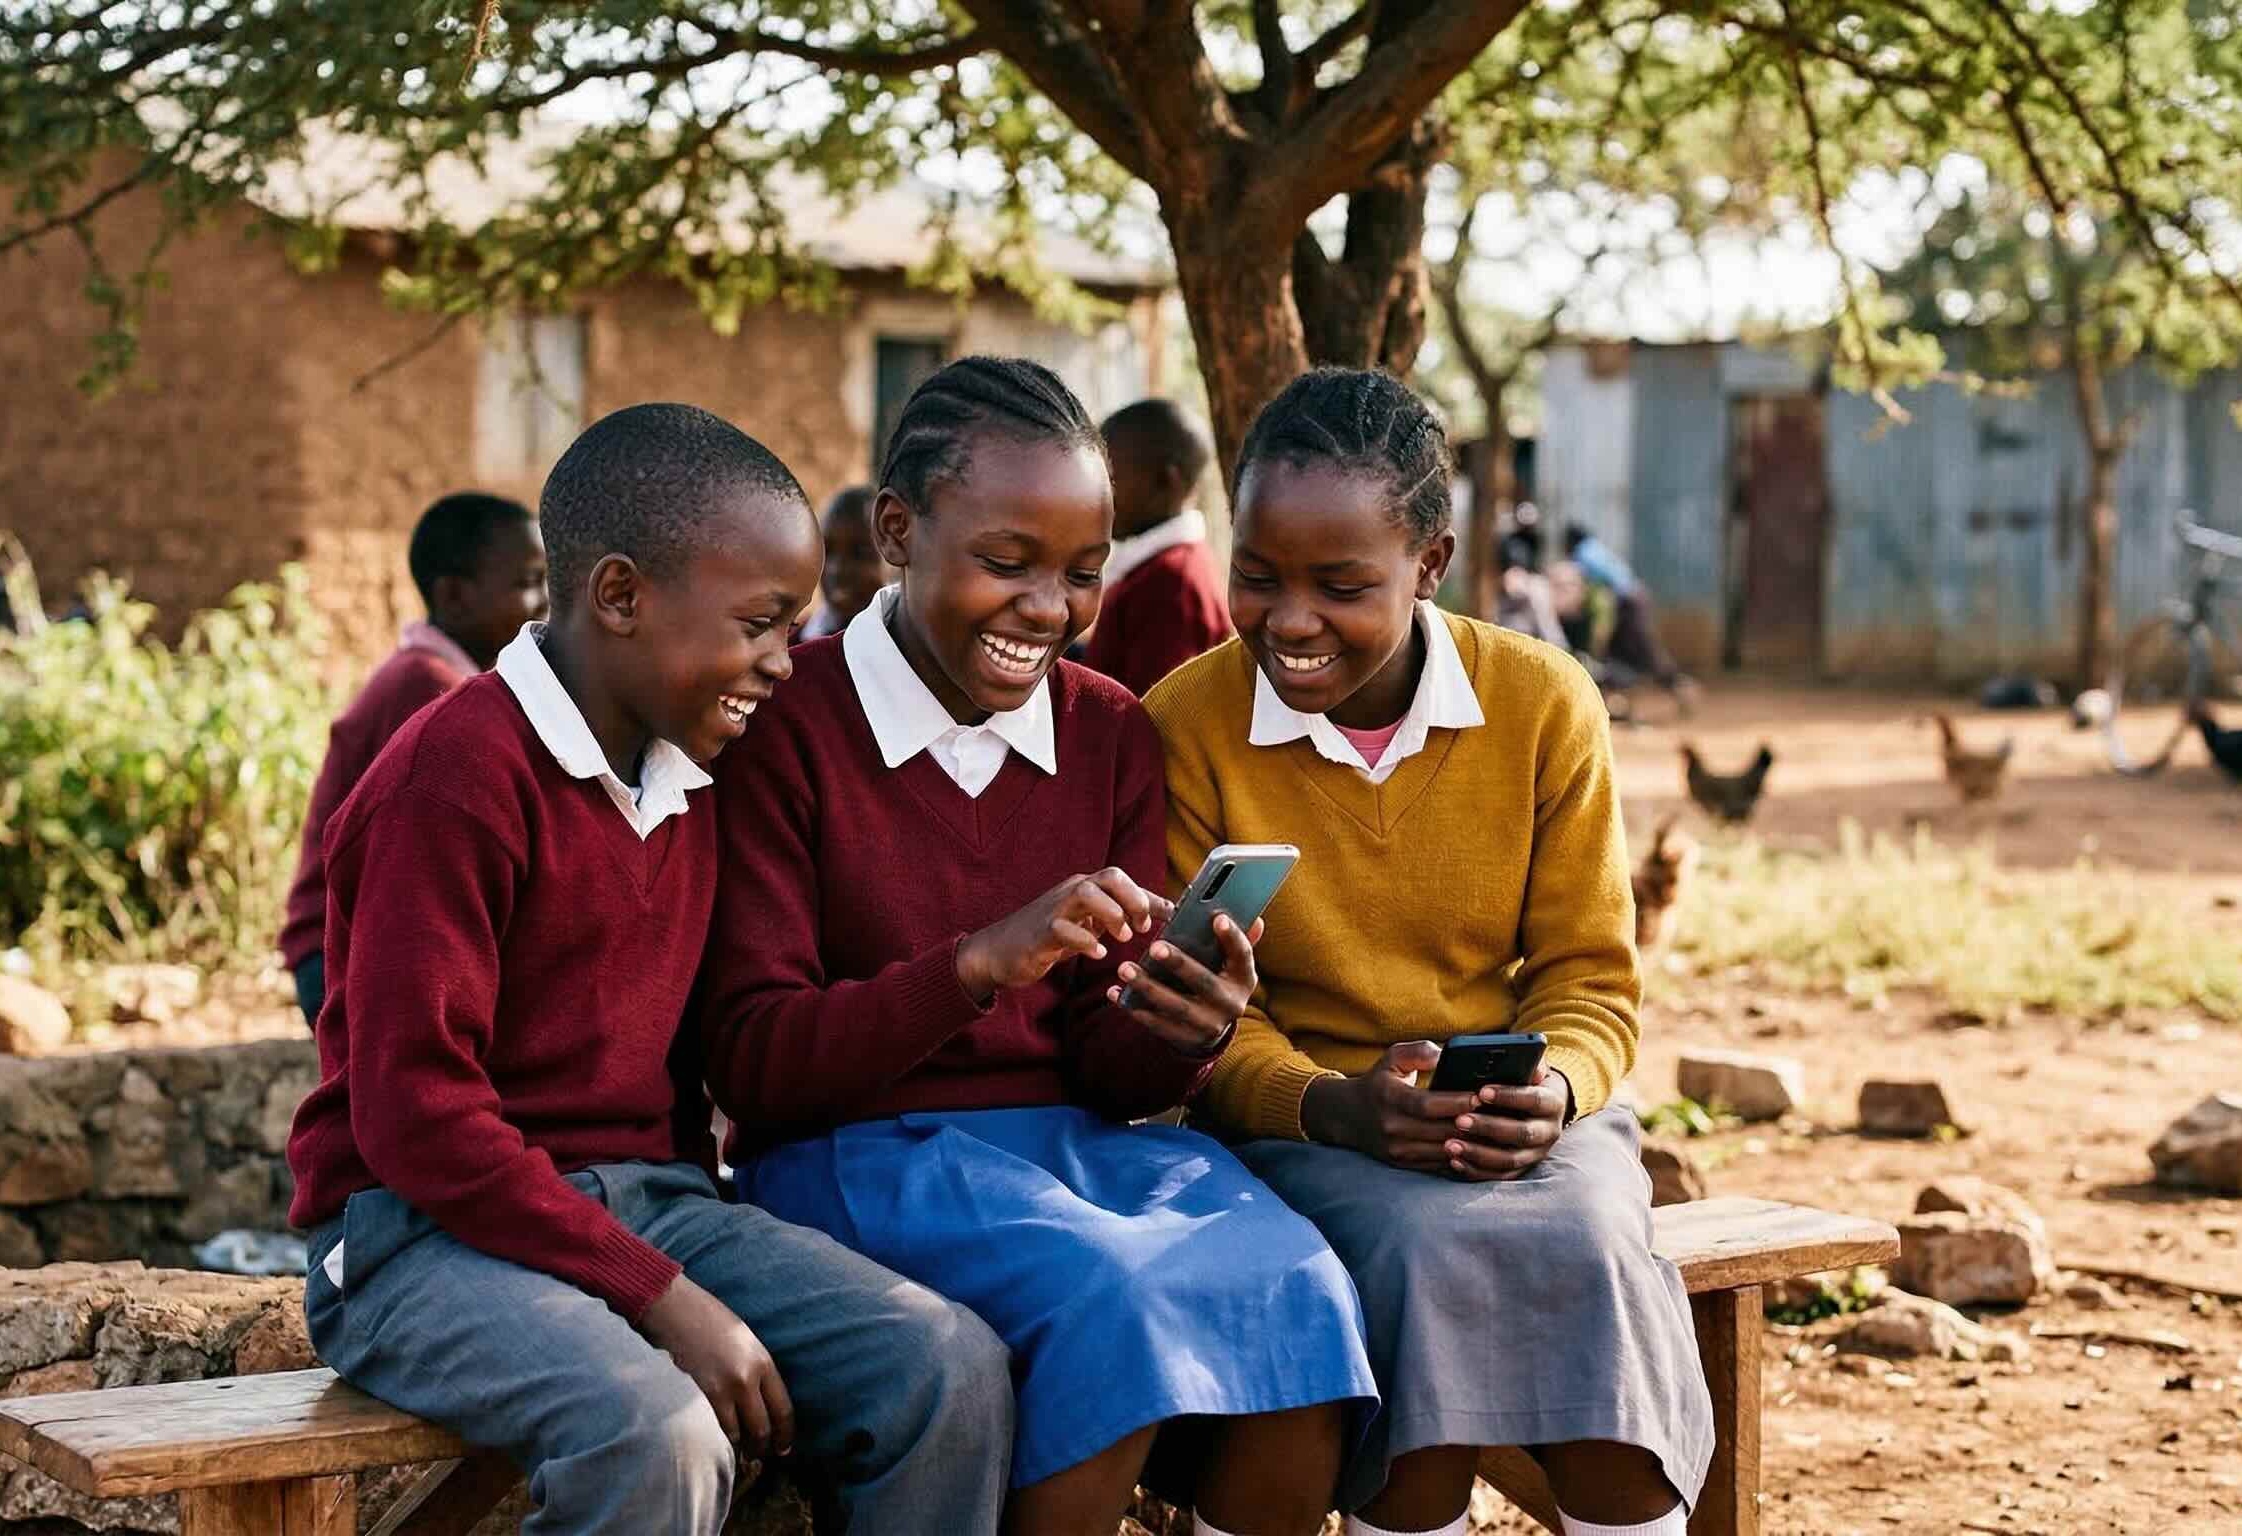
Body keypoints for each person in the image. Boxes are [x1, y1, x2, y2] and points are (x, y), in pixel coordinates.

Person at [287, 405, 1012, 1536]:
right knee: (653, 1431)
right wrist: (658, 1294)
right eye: (763, 624)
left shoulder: (693, 774)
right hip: (418, 1238)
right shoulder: (454, 774)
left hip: (650, 1204)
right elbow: (414, 1117)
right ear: (619, 596)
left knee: (944, 1364)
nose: (785, 661)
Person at [698, 357, 1376, 1536]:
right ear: (899, 532)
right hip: (850, 1157)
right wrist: (969, 967)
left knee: (1303, 1289)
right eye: (1004, 564)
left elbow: (1108, 1074)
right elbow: (750, 1062)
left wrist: (1183, 1028)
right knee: (1109, 1295)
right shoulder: (785, 725)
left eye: (1080, 572)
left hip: (1075, 1150)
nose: (1047, 609)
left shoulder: (1109, 729)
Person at [1146, 369, 1713, 1536]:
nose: (1288, 621)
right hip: (1301, 1127)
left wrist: (1551, 1086)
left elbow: (1589, 975)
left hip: (1521, 1112)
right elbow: (1203, 1018)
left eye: (1341, 586)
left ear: (1431, 564)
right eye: (1255, 577)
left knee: (1598, 1248)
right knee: (1406, 1253)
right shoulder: (1186, 723)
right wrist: (1330, 1107)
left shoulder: (1541, 704)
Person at [277, 492, 548, 1024]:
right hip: (342, 955)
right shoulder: (429, 686)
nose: (544, 603)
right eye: (526, 583)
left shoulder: (459, 680)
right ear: (452, 595)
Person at [1084, 397, 1233, 696]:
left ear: (1166, 482)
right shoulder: (1155, 568)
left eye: (1111, 480)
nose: (1097, 496)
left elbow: (1152, 716)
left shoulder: (1173, 583)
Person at [1560, 522, 1695, 711]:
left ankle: (1680, 687)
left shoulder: (1582, 553)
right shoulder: (1595, 548)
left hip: (1629, 603)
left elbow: (1579, 586)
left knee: (1644, 650)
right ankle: (1617, 702)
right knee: (1619, 652)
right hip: (1631, 599)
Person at [796, 484, 882, 640]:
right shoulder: (792, 648)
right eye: (827, 551)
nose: (837, 569)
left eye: (859, 553)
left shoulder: (912, 650)